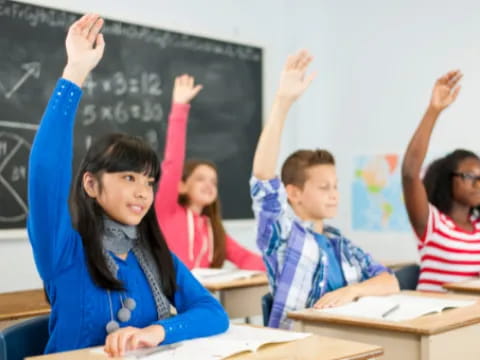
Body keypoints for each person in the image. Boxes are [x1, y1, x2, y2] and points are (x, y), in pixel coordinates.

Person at [27, 14, 228, 356]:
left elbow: (214, 314)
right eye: (128, 178)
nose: (142, 192)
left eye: (149, 182)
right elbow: (46, 171)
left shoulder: (153, 255)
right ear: (90, 184)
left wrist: (157, 331)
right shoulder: (64, 250)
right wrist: (74, 73)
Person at [250, 50, 399, 329]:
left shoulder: (338, 242)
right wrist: (282, 103)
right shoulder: (284, 237)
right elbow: (262, 179)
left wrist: (352, 291)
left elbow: (389, 280)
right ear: (293, 193)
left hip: (344, 340)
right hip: (302, 345)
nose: (334, 194)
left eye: (336, 186)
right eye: (323, 187)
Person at [155, 75, 265, 270]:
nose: (209, 185)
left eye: (213, 182)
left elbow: (245, 258)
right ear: (181, 185)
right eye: (200, 179)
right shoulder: (166, 211)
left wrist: (282, 270)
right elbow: (173, 163)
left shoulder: (212, 228)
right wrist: (180, 108)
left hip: (199, 298)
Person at [401, 70, 480, 292]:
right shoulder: (432, 224)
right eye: (470, 177)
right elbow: (409, 173)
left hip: (469, 321)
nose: (478, 184)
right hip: (435, 321)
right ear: (448, 180)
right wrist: (433, 111)